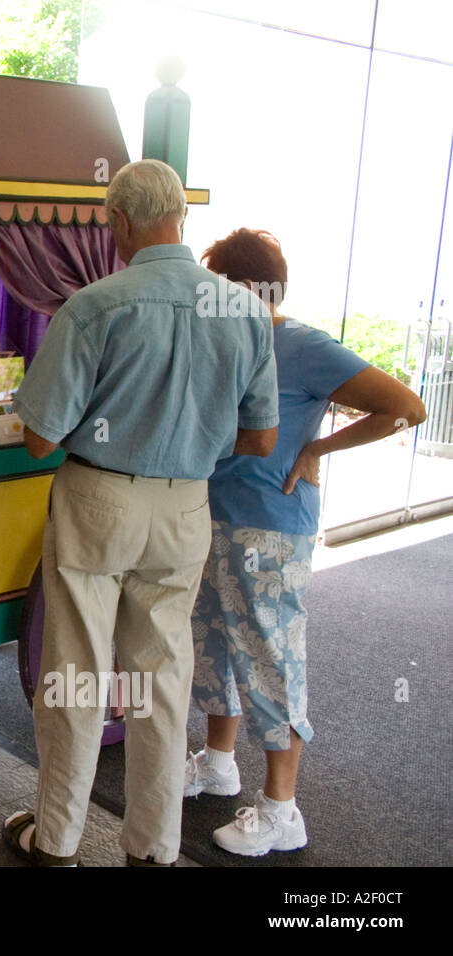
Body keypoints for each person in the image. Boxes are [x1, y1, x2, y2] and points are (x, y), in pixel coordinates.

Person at [3, 159, 280, 867]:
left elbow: (40, 440)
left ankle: (57, 836)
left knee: (77, 674)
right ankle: (154, 848)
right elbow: (262, 436)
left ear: (120, 221)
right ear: (180, 216)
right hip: (187, 502)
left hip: (99, 500)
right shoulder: (245, 309)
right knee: (162, 678)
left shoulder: (97, 305)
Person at [184, 228, 426, 856]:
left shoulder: (303, 345)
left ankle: (282, 809)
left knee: (270, 655)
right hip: (208, 514)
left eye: (220, 287)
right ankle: (218, 762)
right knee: (214, 644)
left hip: (272, 522)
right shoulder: (220, 339)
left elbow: (406, 408)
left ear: (247, 288)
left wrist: (319, 448)